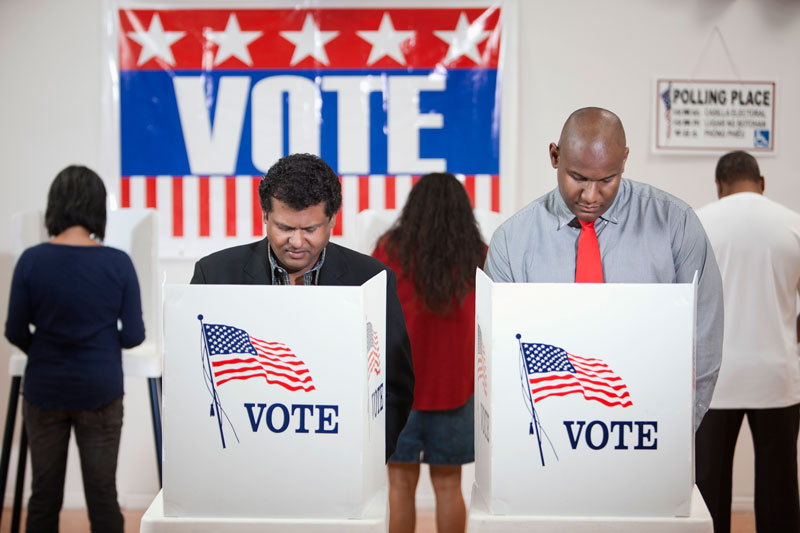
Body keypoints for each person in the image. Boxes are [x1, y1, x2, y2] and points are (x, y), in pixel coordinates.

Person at [484, 107, 724, 430]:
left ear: (624, 160)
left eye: (607, 180)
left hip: (649, 433)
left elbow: (703, 339)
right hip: (544, 441)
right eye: (578, 178)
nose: (591, 196)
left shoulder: (675, 226)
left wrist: (676, 432)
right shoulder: (511, 243)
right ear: (554, 156)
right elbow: (496, 354)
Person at [190, 153, 415, 461]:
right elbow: (190, 378)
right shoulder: (213, 275)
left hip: (338, 460)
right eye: (284, 228)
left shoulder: (372, 279)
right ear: (265, 215)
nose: (296, 242)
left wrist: (371, 456)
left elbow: (395, 387)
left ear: (332, 219)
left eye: (310, 229)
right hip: (240, 459)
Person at [5, 165, 145, 533]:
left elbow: (14, 329)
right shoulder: (118, 263)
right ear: (97, 208)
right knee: (102, 497)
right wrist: (99, 346)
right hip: (100, 391)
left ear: (55, 206)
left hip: (44, 390)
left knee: (44, 496)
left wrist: (44, 349)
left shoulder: (31, 260)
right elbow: (133, 335)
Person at [372, 173, 485, 533]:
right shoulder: (477, 255)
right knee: (450, 487)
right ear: (461, 211)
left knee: (400, 486)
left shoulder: (390, 249)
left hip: (400, 392)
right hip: (456, 391)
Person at [694, 151, 800, 533]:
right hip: (777, 377)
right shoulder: (792, 225)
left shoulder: (701, 224)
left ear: (719, 186)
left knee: (708, 489)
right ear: (762, 183)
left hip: (714, 379)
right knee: (780, 492)